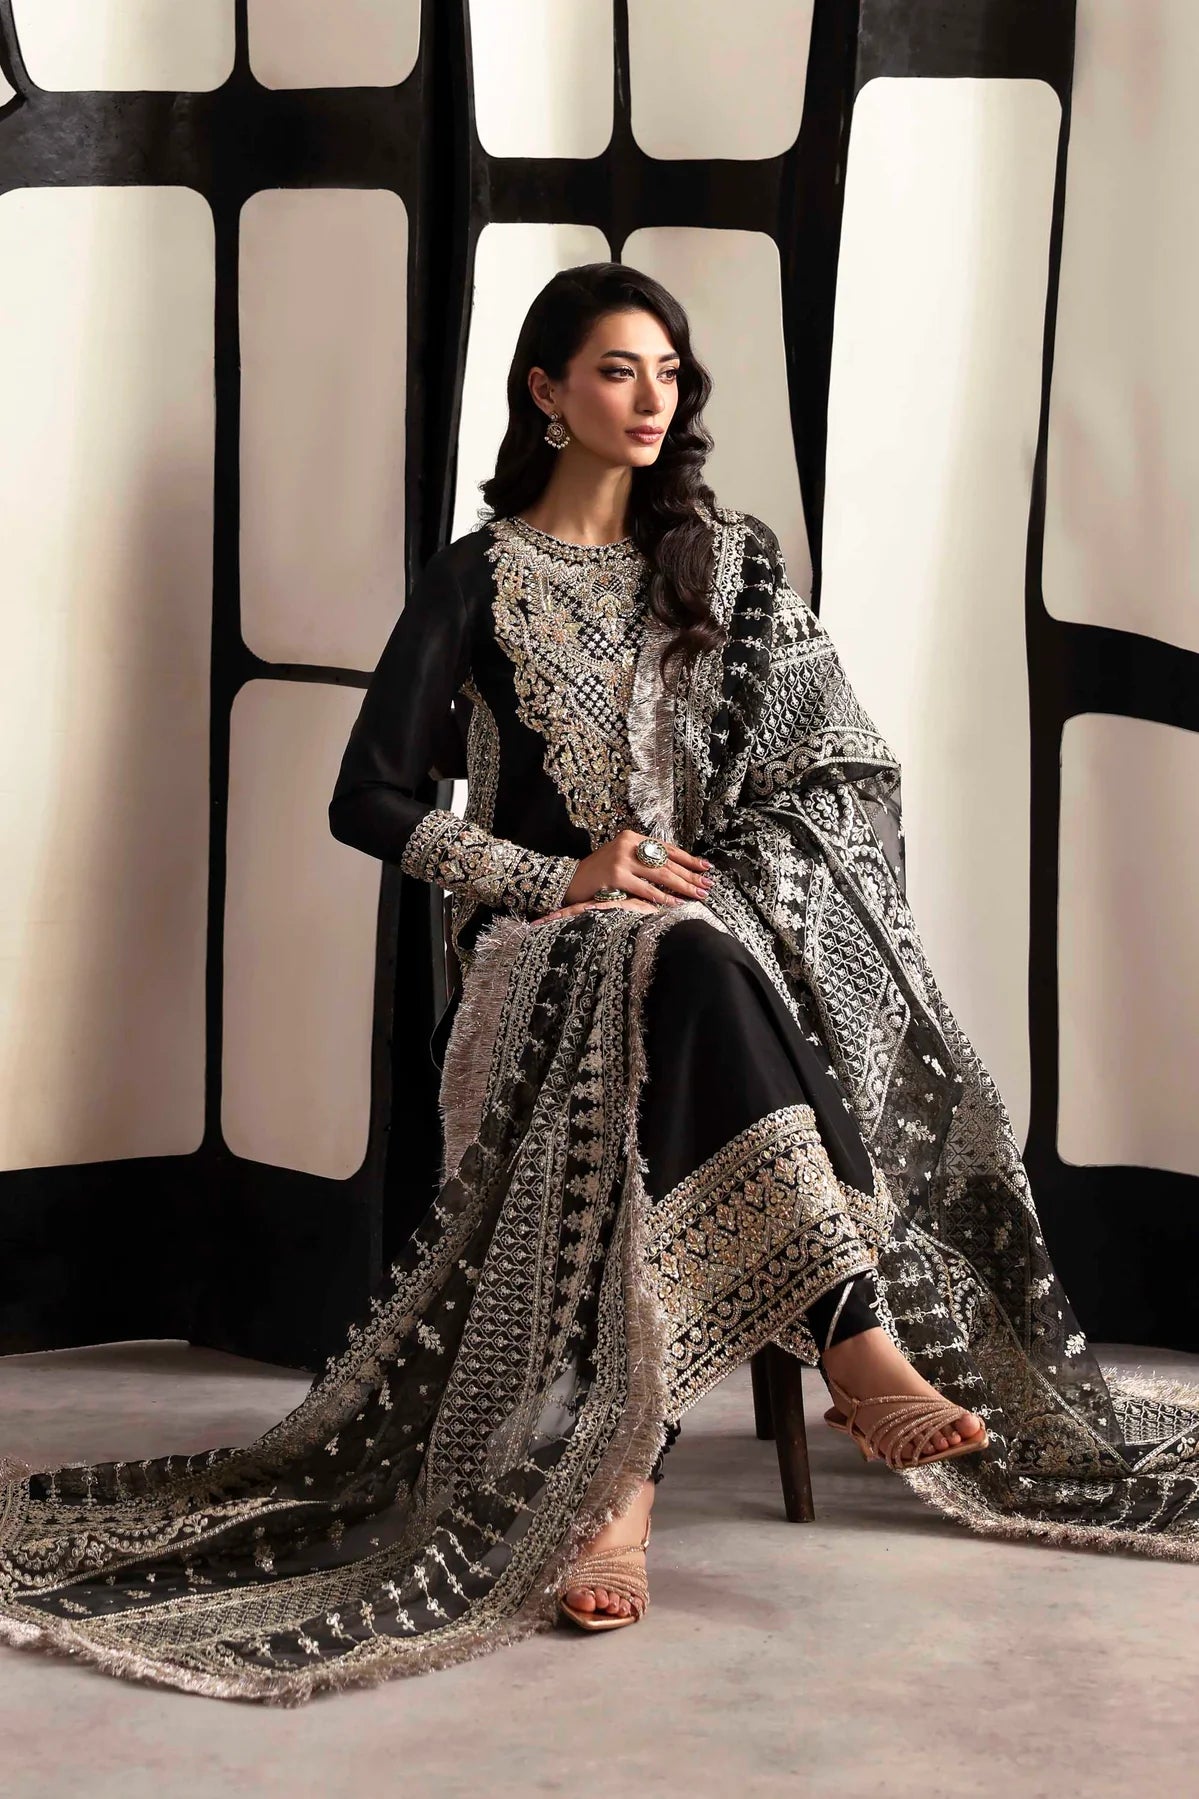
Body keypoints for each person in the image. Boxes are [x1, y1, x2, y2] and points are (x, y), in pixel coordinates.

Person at [1, 263, 1196, 1703]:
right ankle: (854, 1345)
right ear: (546, 390)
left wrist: (721, 883)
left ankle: (623, 1475)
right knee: (658, 953)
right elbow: (366, 801)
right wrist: (560, 879)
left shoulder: (729, 570)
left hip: (715, 946)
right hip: (531, 958)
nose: (650, 399)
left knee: (686, 956)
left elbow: (846, 773)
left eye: (669, 373)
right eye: (619, 370)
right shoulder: (478, 577)